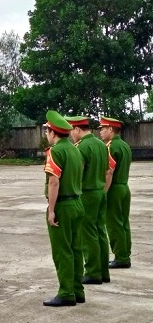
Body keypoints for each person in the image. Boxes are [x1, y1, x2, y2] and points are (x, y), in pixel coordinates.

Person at [42, 111, 85, 307]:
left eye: (47, 131)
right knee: (76, 249)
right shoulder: (75, 149)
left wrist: (52, 210)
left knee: (62, 251)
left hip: (63, 205)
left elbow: (53, 181)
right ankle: (77, 290)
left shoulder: (56, 151)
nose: (46, 135)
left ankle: (66, 292)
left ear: (53, 133)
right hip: (78, 203)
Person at [66, 116, 110, 284]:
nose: (71, 135)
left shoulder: (81, 148)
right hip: (99, 191)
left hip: (86, 193)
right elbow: (107, 170)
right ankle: (103, 271)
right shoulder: (101, 145)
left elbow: (79, 172)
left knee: (87, 233)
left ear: (77, 129)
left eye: (71, 131)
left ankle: (92, 271)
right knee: (100, 231)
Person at [99, 117, 133, 269]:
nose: (100, 132)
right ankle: (125, 253)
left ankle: (120, 257)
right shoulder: (125, 145)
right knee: (124, 222)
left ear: (111, 129)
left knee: (114, 224)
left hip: (114, 189)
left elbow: (109, 173)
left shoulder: (110, 147)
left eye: (103, 129)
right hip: (124, 187)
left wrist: (103, 193)